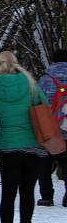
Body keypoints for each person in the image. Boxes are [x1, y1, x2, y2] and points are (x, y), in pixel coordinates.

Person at [0, 52, 49, 223]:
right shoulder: (31, 85)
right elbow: (45, 108)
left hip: (9, 147)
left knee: (8, 195)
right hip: (32, 146)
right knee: (28, 192)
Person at [37, 48, 67, 206]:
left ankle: (47, 196)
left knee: (44, 161)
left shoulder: (46, 79)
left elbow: (36, 101)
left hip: (49, 127)